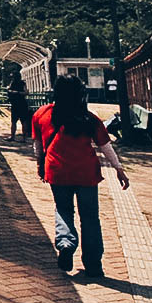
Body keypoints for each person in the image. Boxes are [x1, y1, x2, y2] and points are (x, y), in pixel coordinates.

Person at [33, 74, 129, 277]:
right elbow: (105, 146)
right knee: (90, 218)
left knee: (63, 210)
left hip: (57, 171)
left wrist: (40, 165)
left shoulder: (42, 114)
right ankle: (93, 264)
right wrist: (119, 169)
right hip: (86, 173)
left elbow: (38, 147)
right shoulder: (89, 118)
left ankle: (66, 243)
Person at [7, 73, 31, 141]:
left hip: (15, 104)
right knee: (23, 121)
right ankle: (24, 138)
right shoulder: (23, 83)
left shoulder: (12, 83)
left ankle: (12, 136)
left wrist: (15, 92)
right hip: (22, 104)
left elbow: (9, 90)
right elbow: (26, 92)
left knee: (14, 121)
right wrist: (19, 93)